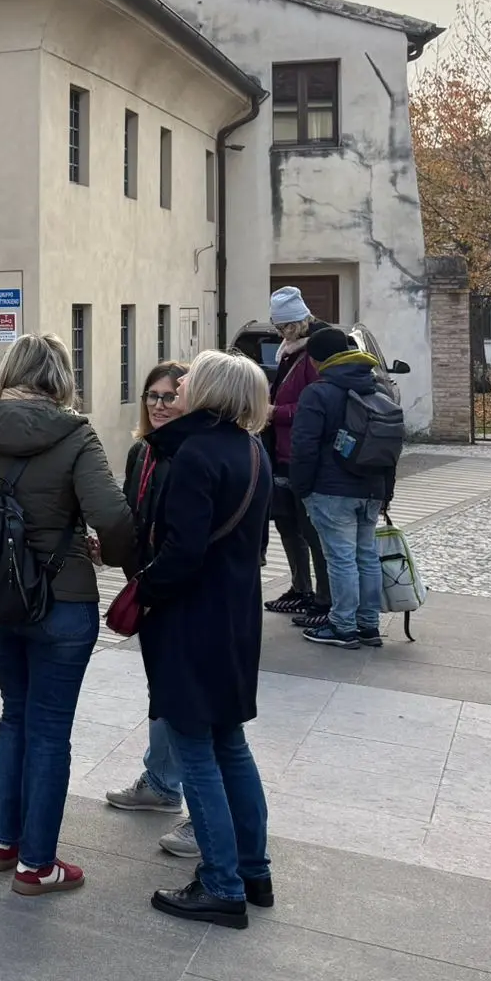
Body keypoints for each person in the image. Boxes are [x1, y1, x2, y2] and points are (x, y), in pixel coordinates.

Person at [0, 334, 133, 897]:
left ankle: (3, 843)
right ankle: (36, 865)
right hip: (63, 599)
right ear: (63, 377)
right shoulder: (76, 435)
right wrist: (110, 555)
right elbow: (112, 515)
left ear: (8, 372)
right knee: (49, 728)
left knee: (14, 714)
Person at [136, 350, 276, 927]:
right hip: (236, 615)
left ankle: (221, 884)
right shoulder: (253, 448)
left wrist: (145, 588)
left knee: (195, 750)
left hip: (191, 618)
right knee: (229, 745)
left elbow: (183, 551)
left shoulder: (194, 452)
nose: (180, 383)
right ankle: (253, 870)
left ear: (211, 388)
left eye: (190, 376)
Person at [102, 362, 201, 862]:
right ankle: (161, 781)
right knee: (161, 692)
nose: (159, 405)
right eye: (152, 396)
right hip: (149, 587)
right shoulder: (143, 451)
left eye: (169, 396)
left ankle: (206, 813)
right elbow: (132, 517)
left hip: (183, 595)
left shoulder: (193, 454)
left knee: (192, 705)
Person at [292, 327, 399, 649]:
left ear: (316, 360)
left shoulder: (318, 393)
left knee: (340, 559)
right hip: (372, 488)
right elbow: (393, 446)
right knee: (366, 556)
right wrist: (386, 491)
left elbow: (304, 446)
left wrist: (302, 488)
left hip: (331, 489)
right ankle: (368, 624)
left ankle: (342, 626)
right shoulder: (376, 388)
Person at [265, 286, 332, 621]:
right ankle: (300, 588)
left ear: (301, 321)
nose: (282, 333)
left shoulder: (313, 356)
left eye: (287, 327)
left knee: (310, 529)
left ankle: (324, 598)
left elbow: (313, 406)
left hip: (305, 456)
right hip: (281, 453)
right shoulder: (288, 353)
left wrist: (274, 412)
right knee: (287, 524)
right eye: (279, 327)